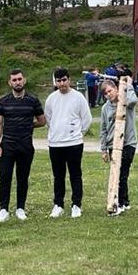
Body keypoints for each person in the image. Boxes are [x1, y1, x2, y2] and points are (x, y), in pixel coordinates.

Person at [0, 69, 45, 222]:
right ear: (10, 83)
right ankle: (3, 210)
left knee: (23, 178)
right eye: (14, 80)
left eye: (19, 79)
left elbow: (42, 121)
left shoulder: (33, 100)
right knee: (5, 178)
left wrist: (28, 126)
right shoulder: (3, 101)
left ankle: (20, 208)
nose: (17, 82)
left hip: (26, 146)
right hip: (7, 146)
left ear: (24, 80)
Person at [45, 67, 92, 218]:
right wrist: (56, 133)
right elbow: (48, 119)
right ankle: (58, 204)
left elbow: (86, 119)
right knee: (58, 175)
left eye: (64, 80)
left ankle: (76, 205)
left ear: (69, 80)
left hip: (74, 144)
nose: (62, 83)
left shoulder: (78, 97)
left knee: (75, 175)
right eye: (58, 81)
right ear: (55, 82)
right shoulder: (51, 99)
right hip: (56, 144)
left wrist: (77, 133)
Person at [99, 76, 138, 214]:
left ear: (116, 89)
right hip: (113, 145)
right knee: (117, 173)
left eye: (110, 91)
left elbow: (134, 100)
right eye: (105, 93)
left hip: (128, 143)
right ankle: (125, 201)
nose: (108, 94)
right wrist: (104, 149)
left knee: (122, 173)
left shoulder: (125, 101)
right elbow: (103, 129)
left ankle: (120, 203)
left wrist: (129, 86)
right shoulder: (105, 108)